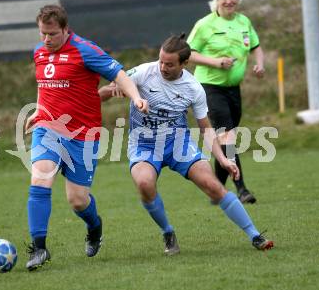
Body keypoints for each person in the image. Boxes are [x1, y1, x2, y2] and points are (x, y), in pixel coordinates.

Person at [99, 34, 273, 256]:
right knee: (144, 184)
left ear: (184, 63)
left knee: (213, 186)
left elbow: (206, 129)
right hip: (144, 144)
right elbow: (103, 92)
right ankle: (168, 232)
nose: (162, 67)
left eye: (169, 64)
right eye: (161, 61)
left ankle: (255, 235)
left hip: (178, 143)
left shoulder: (193, 88)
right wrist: (111, 90)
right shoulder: (144, 72)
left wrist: (223, 159)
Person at [24, 4, 148, 271]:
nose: (46, 39)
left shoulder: (85, 50)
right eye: (43, 33)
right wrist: (38, 110)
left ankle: (95, 226)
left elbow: (119, 74)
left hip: (83, 134)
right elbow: (44, 86)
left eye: (52, 34)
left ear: (66, 29)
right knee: (40, 178)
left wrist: (136, 97)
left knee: (78, 200)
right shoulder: (39, 53)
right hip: (48, 128)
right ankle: (39, 247)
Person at [186, 0, 265, 204]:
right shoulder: (205, 24)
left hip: (233, 89)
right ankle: (241, 189)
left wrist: (260, 64)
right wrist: (215, 62)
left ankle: (217, 189)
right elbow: (189, 53)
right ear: (216, 0)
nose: (229, 1)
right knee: (227, 137)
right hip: (210, 88)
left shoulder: (244, 21)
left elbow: (256, 46)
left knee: (224, 140)